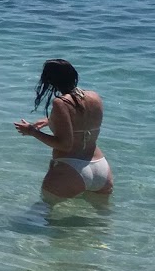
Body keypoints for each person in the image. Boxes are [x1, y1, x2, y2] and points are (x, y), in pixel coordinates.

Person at [14, 58, 113, 204]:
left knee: (49, 220)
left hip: (70, 168)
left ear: (50, 81)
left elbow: (65, 144)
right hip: (101, 169)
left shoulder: (60, 103)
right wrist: (51, 120)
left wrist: (32, 131)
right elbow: (82, 122)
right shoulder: (94, 97)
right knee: (101, 223)